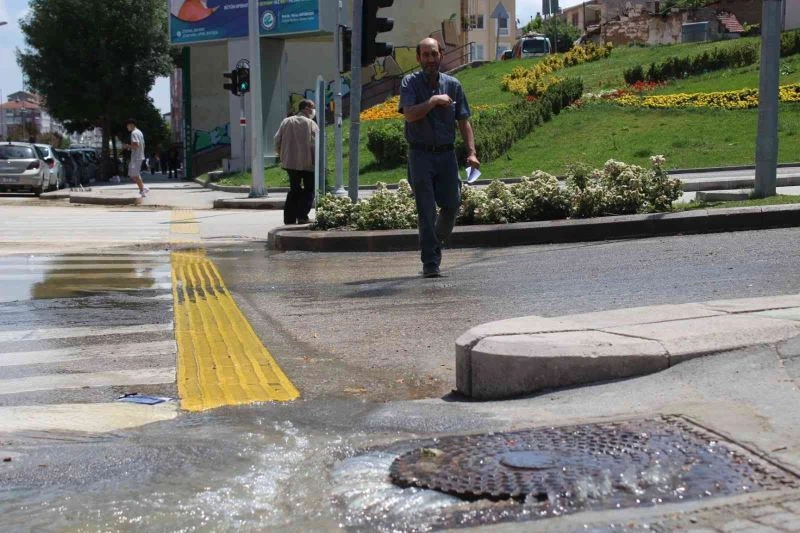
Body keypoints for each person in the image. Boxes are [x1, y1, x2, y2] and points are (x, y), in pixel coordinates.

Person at [399, 38, 480, 278]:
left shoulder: (453, 85)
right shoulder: (409, 83)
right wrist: (434, 101)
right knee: (426, 210)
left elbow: (463, 121)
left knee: (452, 204)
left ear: (441, 55)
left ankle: (434, 241)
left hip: (446, 155)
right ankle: (430, 262)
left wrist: (472, 152)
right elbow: (410, 115)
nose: (430, 59)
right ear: (418, 58)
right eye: (425, 55)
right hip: (420, 154)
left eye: (434, 54)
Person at [274, 99, 318, 225]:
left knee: (294, 189)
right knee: (309, 189)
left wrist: (282, 155)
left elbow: (277, 140)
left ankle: (289, 218)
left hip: (290, 163)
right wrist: (317, 162)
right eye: (312, 107)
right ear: (306, 108)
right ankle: (302, 215)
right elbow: (315, 144)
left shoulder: (286, 121)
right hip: (308, 163)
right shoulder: (311, 124)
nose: (313, 111)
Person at [122, 118, 149, 197]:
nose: (127, 127)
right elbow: (143, 144)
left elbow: (136, 145)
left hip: (136, 157)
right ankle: (143, 188)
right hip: (138, 156)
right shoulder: (140, 132)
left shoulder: (134, 133)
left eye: (127, 126)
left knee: (134, 175)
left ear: (131, 125)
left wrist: (127, 146)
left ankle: (142, 190)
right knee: (132, 174)